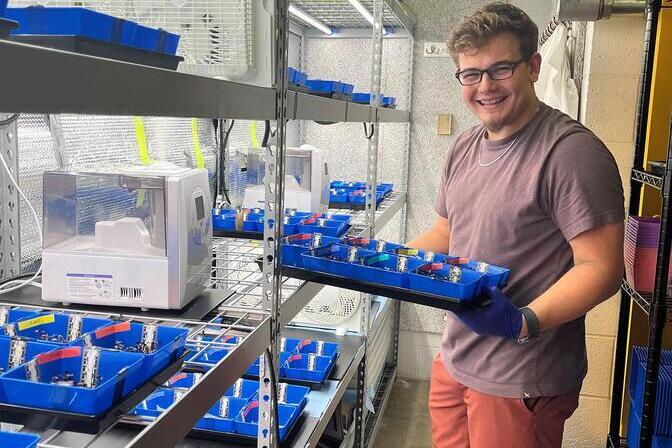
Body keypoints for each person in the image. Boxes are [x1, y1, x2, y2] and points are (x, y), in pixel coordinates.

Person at [407, 3, 625, 447]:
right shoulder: (465, 146)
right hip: (456, 358)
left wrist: (524, 321)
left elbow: (602, 268)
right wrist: (386, 263)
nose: (484, 86)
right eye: (470, 73)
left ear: (533, 67)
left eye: (500, 69)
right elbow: (447, 234)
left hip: (520, 377)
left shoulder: (569, 153)